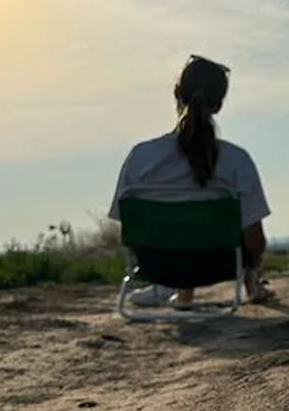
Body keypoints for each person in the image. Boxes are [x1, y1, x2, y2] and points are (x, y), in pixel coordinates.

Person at [108, 54, 274, 307]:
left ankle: (180, 293)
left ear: (178, 94)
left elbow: (129, 229)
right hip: (218, 266)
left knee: (181, 225)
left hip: (158, 266)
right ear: (218, 105)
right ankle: (251, 284)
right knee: (238, 224)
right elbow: (255, 242)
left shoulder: (140, 157)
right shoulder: (237, 161)